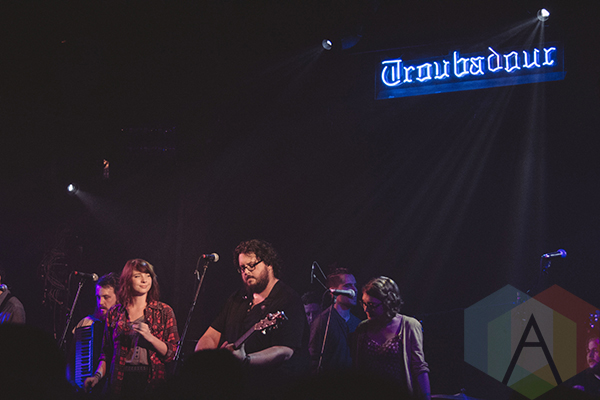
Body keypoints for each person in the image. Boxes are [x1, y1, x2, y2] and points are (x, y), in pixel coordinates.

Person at [195, 239, 310, 398]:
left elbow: (285, 350)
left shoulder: (288, 299)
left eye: (252, 265)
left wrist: (247, 360)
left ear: (269, 264)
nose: (246, 272)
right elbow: (210, 336)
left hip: (270, 388)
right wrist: (207, 362)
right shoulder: (236, 298)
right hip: (233, 388)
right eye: (242, 268)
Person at [85, 259, 179, 398]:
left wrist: (150, 337)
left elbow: (173, 353)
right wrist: (97, 377)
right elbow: (106, 353)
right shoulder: (115, 313)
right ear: (127, 280)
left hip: (152, 382)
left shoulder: (164, 311)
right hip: (120, 381)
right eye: (137, 276)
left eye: (148, 275)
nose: (144, 280)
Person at [352, 276, 431, 400]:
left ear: (387, 303)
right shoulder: (362, 328)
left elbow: (419, 367)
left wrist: (426, 397)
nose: (366, 309)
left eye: (372, 305)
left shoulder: (409, 325)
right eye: (364, 303)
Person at [308, 267, 362, 373]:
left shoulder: (358, 323)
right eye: (348, 286)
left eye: (354, 285)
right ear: (333, 291)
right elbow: (314, 358)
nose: (354, 290)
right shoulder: (323, 321)